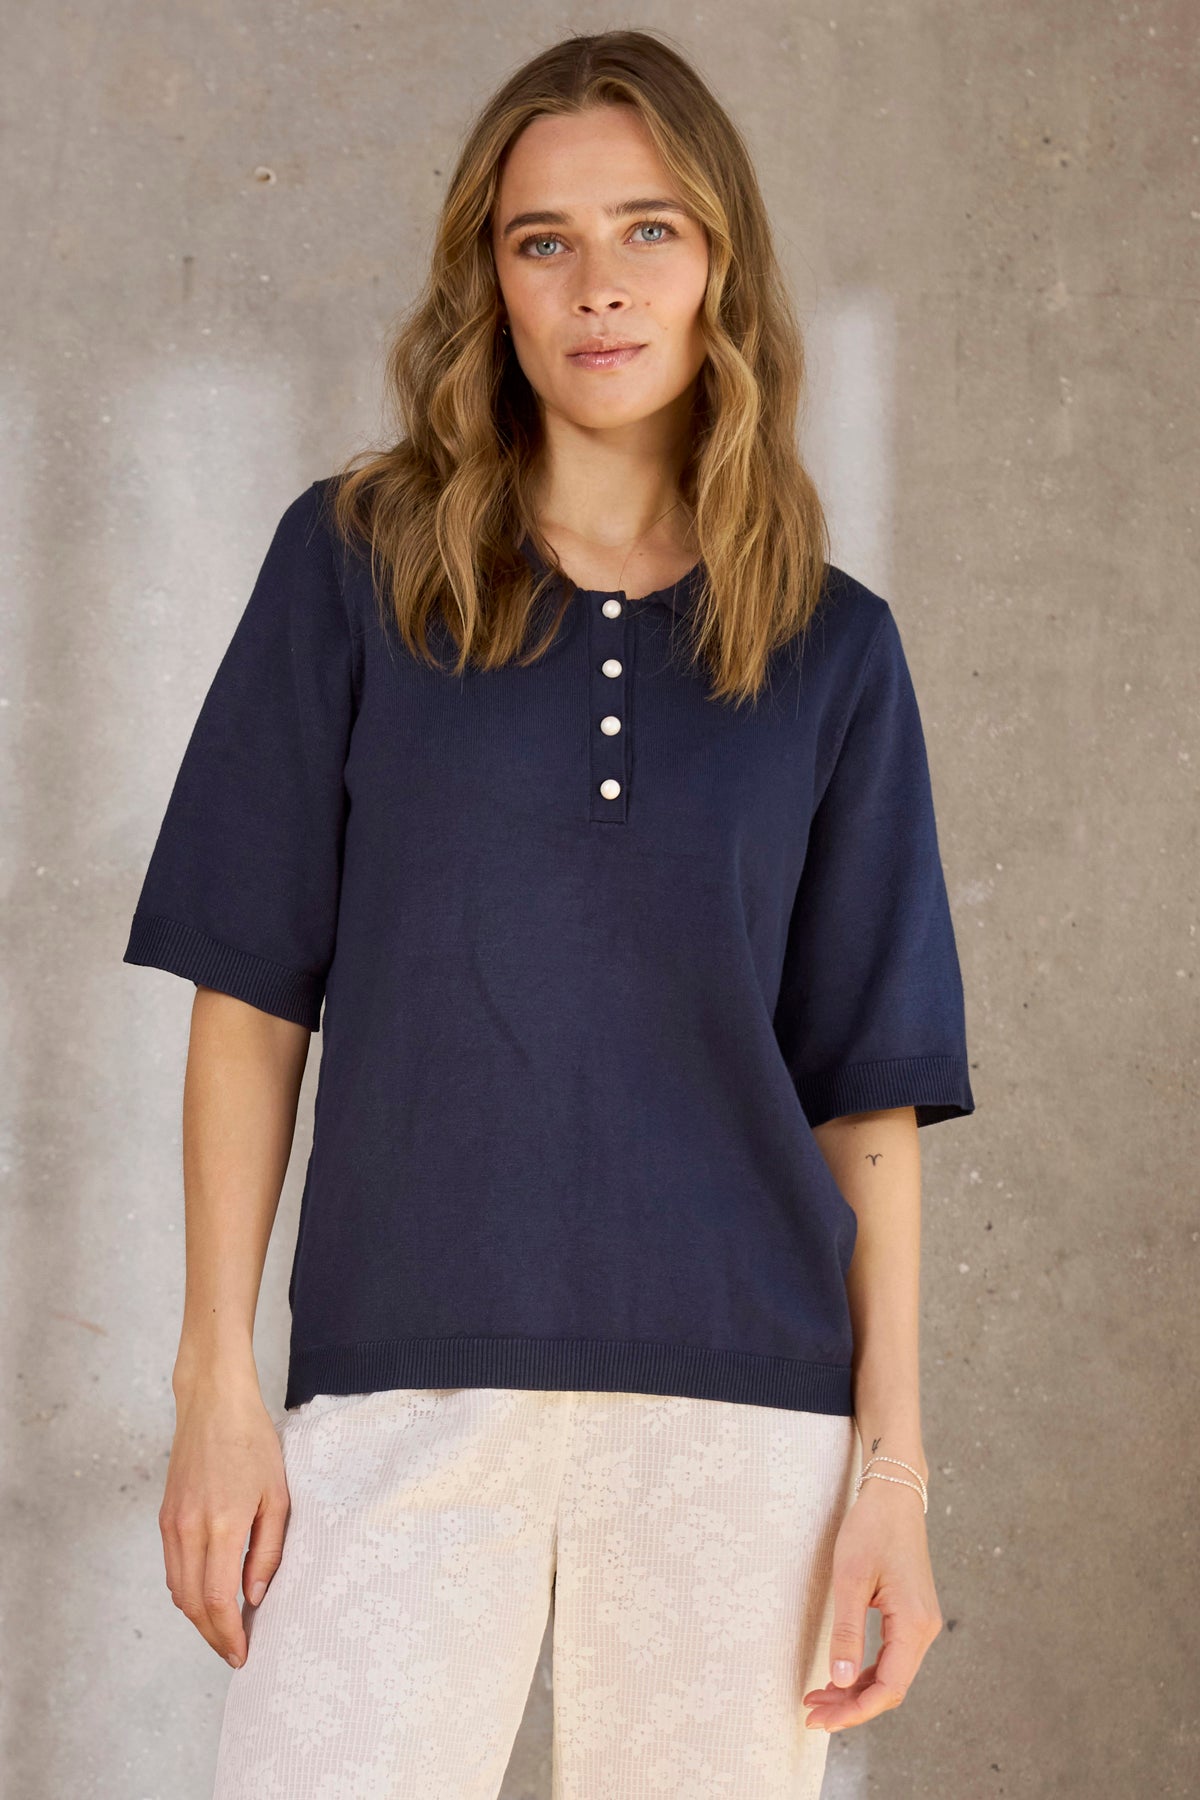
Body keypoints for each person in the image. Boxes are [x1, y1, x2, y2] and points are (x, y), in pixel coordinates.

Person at [123, 28, 975, 1800]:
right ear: (489, 281)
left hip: (745, 1421)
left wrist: (891, 1479)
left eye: (650, 229)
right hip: (400, 1384)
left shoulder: (834, 651)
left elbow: (866, 1106)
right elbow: (249, 1003)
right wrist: (216, 1387)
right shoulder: (352, 571)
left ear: (721, 265)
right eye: (545, 240)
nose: (601, 285)